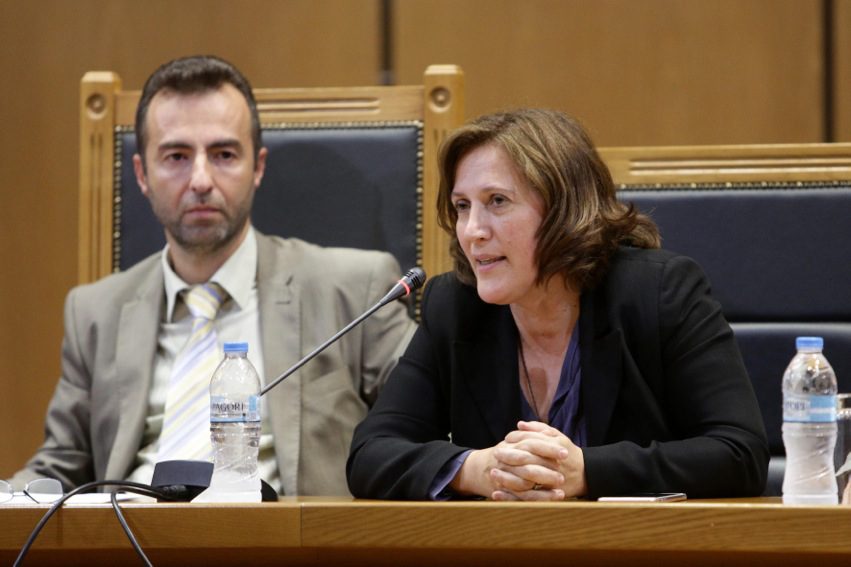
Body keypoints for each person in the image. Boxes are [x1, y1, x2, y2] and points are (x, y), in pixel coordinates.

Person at [9, 55, 416, 496]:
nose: (201, 180)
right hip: (127, 528)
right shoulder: (94, 312)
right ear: (142, 174)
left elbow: (428, 423)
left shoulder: (355, 291)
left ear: (257, 167)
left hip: (283, 532)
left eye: (223, 155)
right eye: (176, 156)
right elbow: (59, 465)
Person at [347, 108, 769, 500]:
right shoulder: (455, 306)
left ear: (563, 209)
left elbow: (739, 453)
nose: (473, 230)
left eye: (497, 201)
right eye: (462, 206)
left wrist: (586, 471)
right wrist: (478, 469)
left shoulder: (659, 292)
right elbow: (370, 453)